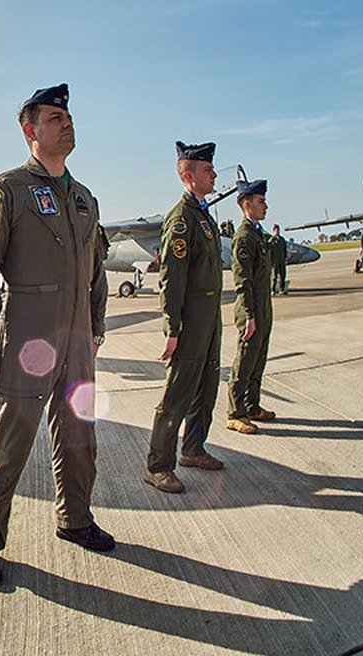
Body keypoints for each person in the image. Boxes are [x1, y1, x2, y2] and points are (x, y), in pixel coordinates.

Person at [0, 83, 113, 587]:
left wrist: (95, 327)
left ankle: (75, 518)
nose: (65, 124)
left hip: (75, 341)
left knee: (79, 435)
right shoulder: (6, 191)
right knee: (8, 443)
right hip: (27, 337)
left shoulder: (84, 198)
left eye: (67, 117)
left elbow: (95, 269)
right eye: (53, 118)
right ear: (30, 131)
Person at [144, 141, 224, 494]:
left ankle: (193, 449)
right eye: (208, 170)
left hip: (209, 317)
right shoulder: (181, 220)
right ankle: (158, 466)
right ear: (190, 176)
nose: (214, 174)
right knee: (177, 393)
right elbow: (171, 279)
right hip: (191, 319)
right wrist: (172, 328)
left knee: (206, 387)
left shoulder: (203, 214)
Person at [226, 180, 277, 434]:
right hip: (251, 309)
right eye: (261, 201)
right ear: (247, 205)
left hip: (263, 306)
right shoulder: (244, 237)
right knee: (245, 360)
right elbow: (242, 280)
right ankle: (235, 413)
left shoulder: (258, 234)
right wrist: (249, 315)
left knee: (259, 358)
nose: (265, 205)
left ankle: (252, 405)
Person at [269, 223, 288, 295]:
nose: (277, 231)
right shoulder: (271, 240)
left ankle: (281, 289)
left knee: (283, 275)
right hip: (275, 261)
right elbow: (270, 251)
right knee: (274, 276)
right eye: (276, 230)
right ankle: (272, 290)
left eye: (278, 230)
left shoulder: (282, 239)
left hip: (281, 260)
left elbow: (284, 249)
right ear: (273, 231)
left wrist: (285, 258)